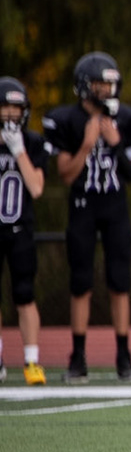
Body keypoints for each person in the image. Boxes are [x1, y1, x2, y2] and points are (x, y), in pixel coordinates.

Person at [42, 52, 131, 382]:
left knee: (120, 284)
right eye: (101, 84)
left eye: (111, 84)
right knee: (81, 283)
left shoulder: (125, 119)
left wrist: (114, 143)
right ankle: (78, 355)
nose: (108, 90)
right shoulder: (67, 120)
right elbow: (66, 175)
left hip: (115, 207)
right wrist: (86, 145)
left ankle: (124, 355)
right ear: (86, 86)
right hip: (83, 206)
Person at [0, 78, 48, 385]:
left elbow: (37, 187)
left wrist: (19, 152)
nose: (11, 113)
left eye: (16, 107)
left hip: (20, 228)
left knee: (25, 295)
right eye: (5, 106)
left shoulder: (32, 142)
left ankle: (32, 361)